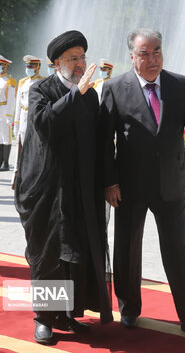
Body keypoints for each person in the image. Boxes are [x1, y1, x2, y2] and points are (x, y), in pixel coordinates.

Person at [100, 28, 185, 335]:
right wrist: (109, 182)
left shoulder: (179, 83)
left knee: (178, 250)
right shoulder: (114, 87)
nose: (152, 59)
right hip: (129, 187)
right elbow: (103, 140)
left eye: (157, 52)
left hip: (170, 185)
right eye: (144, 53)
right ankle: (129, 309)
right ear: (132, 56)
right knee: (126, 249)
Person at [14, 30, 113, 345]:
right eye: (73, 58)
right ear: (57, 62)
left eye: (82, 57)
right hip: (48, 190)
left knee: (77, 251)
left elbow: (100, 142)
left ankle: (67, 314)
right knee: (50, 253)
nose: (80, 63)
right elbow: (44, 125)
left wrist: (108, 181)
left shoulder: (91, 95)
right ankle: (44, 318)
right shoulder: (41, 89)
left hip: (81, 188)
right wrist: (74, 95)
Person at [11, 55, 43, 188]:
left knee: (34, 149)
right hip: (23, 116)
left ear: (38, 67)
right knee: (21, 148)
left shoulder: (42, 82)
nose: (29, 68)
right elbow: (18, 104)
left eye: (31, 66)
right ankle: (18, 179)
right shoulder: (22, 82)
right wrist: (16, 123)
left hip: (33, 116)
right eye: (27, 66)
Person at [0, 55, 17, 171]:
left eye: (1, 65)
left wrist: (9, 116)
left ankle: (5, 163)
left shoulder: (10, 81)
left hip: (4, 109)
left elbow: (11, 100)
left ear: (6, 66)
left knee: (6, 137)